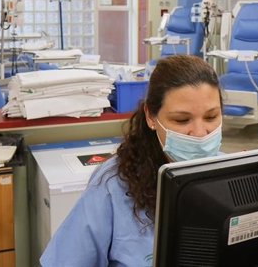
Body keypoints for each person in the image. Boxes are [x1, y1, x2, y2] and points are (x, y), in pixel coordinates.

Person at [41, 55, 224, 267]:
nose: (200, 133)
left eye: (211, 117)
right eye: (182, 120)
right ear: (150, 117)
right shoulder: (113, 186)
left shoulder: (233, 172)